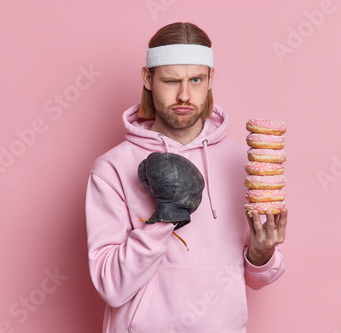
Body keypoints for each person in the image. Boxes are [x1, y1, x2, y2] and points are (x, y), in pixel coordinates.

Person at [85, 22, 288, 333]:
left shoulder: (240, 162)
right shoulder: (112, 167)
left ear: (210, 80)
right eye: (171, 80)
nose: (184, 94)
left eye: (196, 79)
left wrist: (262, 254)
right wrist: (165, 217)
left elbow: (258, 279)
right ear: (148, 79)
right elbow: (111, 286)